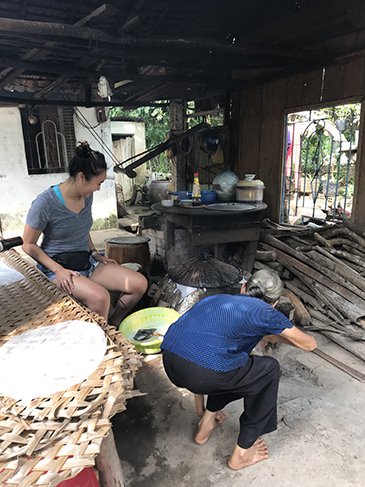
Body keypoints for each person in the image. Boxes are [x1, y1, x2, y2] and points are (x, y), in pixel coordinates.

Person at [160, 270, 316, 470]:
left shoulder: (216, 300)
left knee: (236, 365)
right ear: (275, 303)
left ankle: (205, 424)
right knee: (268, 370)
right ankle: (241, 454)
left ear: (243, 287)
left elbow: (195, 350)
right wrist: (276, 335)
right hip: (203, 372)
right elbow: (309, 344)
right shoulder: (267, 313)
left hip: (170, 360)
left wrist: (199, 409)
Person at [22, 142, 148, 325]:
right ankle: (101, 341)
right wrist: (58, 270)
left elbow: (82, 227)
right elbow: (28, 244)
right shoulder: (45, 203)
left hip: (86, 262)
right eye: (98, 183)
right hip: (58, 269)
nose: (98, 188)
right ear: (81, 177)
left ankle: (113, 325)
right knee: (101, 298)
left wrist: (94, 253)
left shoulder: (87, 196)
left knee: (139, 283)